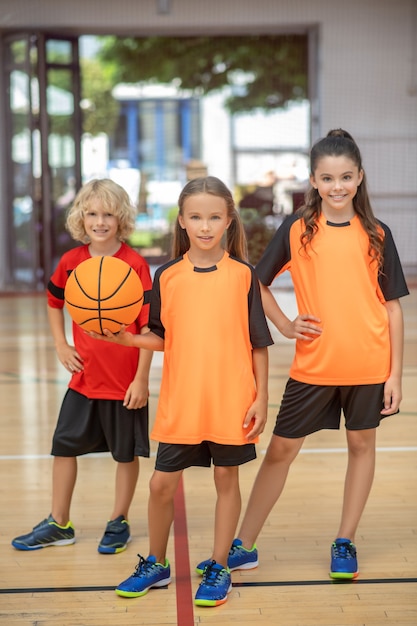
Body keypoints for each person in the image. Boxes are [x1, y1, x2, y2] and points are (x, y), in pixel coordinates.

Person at [219, 129, 409, 580]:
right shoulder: (298, 229)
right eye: (328, 178)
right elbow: (254, 280)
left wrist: (396, 373)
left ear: (360, 177)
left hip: (369, 364)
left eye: (346, 176)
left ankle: (345, 540)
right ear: (314, 181)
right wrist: (285, 325)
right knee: (281, 450)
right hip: (314, 366)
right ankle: (243, 544)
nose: (337, 186)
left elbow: (393, 308)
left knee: (361, 446)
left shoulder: (377, 233)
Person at [91, 176, 273, 606]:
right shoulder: (167, 275)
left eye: (214, 217)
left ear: (229, 220)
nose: (205, 226)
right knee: (160, 485)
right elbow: (162, 334)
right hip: (182, 402)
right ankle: (155, 563)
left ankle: (218, 565)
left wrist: (262, 397)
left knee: (226, 478)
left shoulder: (243, 276)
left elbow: (258, 343)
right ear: (182, 221)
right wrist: (131, 340)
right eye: (196, 217)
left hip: (231, 399)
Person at [11, 178, 153, 554]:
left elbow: (148, 328)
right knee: (63, 447)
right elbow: (54, 301)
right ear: (81, 218)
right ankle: (59, 522)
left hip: (124, 381)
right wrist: (61, 343)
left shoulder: (134, 265)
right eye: (92, 213)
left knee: (125, 454)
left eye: (108, 214)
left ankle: (118, 520)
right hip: (84, 377)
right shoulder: (71, 262)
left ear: (120, 217)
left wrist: (142, 379)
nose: (100, 221)